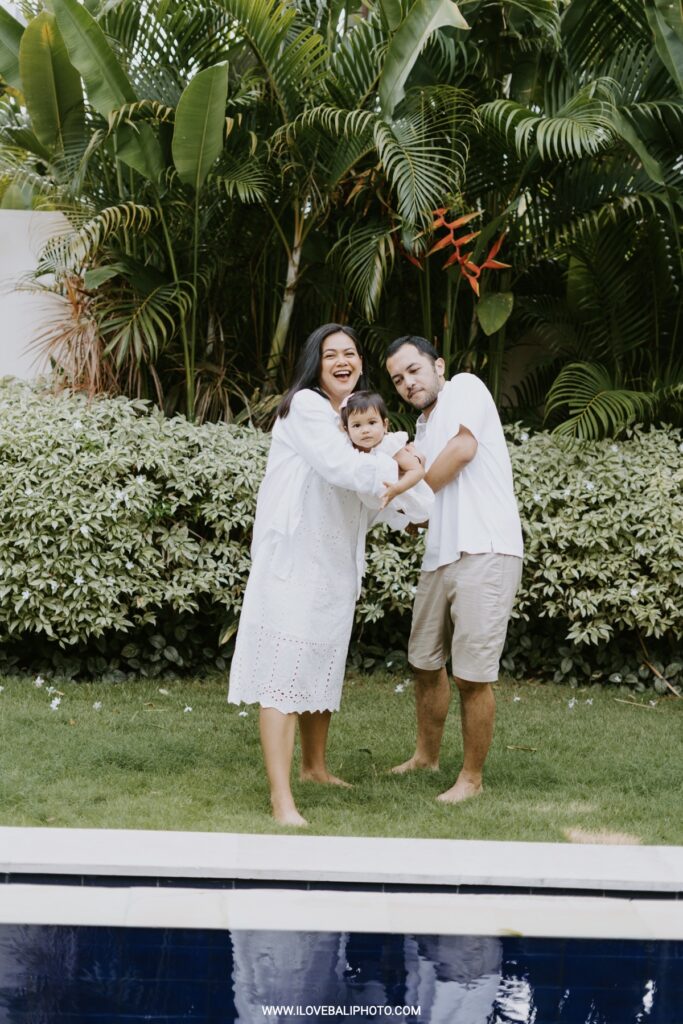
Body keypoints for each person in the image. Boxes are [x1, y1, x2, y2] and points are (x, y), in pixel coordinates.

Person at [228, 324, 433, 827]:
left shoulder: (358, 421)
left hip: (335, 565)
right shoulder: (306, 408)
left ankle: (314, 769)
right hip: (294, 563)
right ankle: (282, 799)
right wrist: (399, 461)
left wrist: (408, 493)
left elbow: (375, 496)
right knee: (283, 677)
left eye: (351, 353)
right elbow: (344, 469)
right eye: (331, 355)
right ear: (314, 365)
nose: (343, 361)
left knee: (319, 666)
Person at [385, 336, 523, 803]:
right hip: (440, 556)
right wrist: (408, 512)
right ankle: (426, 757)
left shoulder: (465, 386)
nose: (408, 383)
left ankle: (471, 779)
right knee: (424, 663)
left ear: (438, 365)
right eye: (398, 379)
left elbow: (463, 450)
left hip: (485, 548)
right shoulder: (421, 431)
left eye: (414, 370)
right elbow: (425, 499)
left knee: (471, 676)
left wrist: (412, 497)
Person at [339, 390, 426, 507]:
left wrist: (397, 488)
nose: (365, 430)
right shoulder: (351, 449)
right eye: (357, 425)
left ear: (385, 425)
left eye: (372, 422)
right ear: (347, 431)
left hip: (406, 501)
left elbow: (417, 471)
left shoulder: (389, 445)